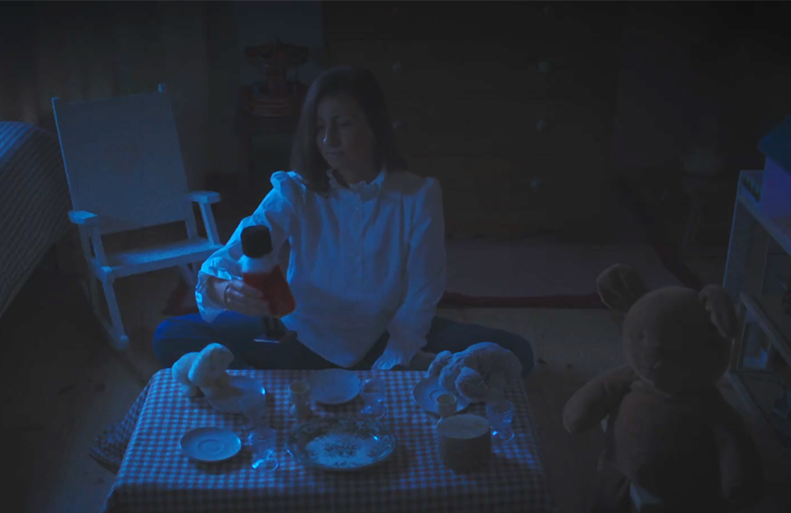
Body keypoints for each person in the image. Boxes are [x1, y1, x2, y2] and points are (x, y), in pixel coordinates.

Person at [153, 65, 534, 376]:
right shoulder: (295, 190)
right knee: (170, 335)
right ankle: (277, 378)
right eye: (320, 127)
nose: (329, 140)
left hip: (384, 335)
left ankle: (312, 373)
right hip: (300, 335)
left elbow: (422, 292)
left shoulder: (417, 195)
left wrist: (394, 358)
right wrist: (224, 290)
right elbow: (236, 249)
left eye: (344, 124)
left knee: (515, 353)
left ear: (374, 125)